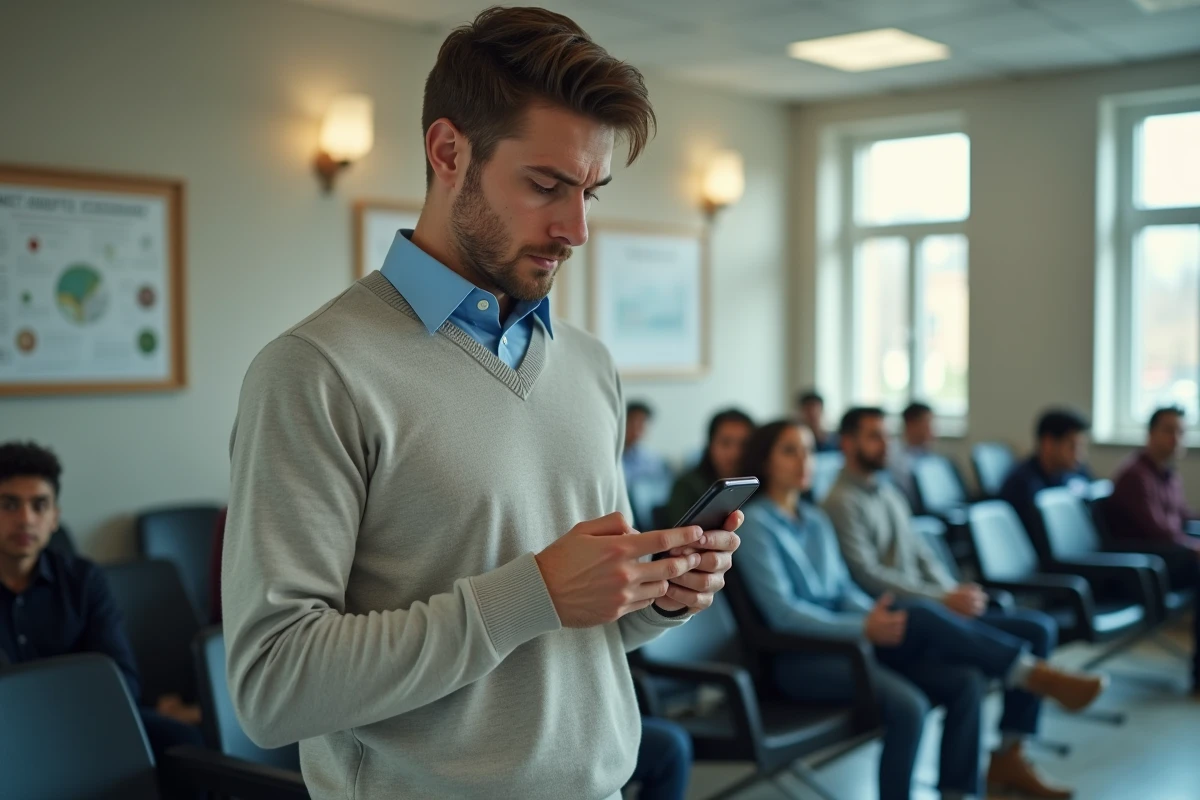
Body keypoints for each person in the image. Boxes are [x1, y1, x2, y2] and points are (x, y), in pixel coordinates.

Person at [222, 9, 741, 799]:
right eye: (546, 186)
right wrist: (530, 593)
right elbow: (273, 688)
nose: (576, 230)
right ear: (447, 152)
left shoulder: (590, 366)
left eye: (591, 194)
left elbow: (570, 637)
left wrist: (658, 597)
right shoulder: (315, 372)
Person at [737, 422, 1106, 800]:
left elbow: (843, 590)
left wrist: (871, 616)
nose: (805, 461)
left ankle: (958, 792)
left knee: (965, 681)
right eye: (789, 451)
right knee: (911, 694)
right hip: (804, 657)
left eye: (810, 450)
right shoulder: (754, 527)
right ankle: (1029, 673)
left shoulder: (813, 518)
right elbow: (783, 614)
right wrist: (864, 626)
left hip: (852, 640)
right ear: (764, 461)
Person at [0, 441, 204, 761]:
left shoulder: (82, 579)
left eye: (39, 505)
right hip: (8, 734)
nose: (26, 519)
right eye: (10, 505)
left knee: (182, 742)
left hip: (81, 720)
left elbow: (122, 678)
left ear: (54, 518)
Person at [1107, 406, 1200, 694]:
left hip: (1167, 560)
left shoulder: (1168, 474)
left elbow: (1183, 517)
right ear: (1150, 434)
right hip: (1143, 571)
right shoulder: (1136, 476)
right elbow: (1159, 533)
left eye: (1181, 432)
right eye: (1169, 430)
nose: (1176, 438)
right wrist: (1194, 548)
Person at [998, 409, 1093, 563]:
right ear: (1048, 443)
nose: (1080, 455)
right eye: (1072, 446)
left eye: (1081, 447)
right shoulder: (1022, 485)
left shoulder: (1076, 474)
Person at [664, 408, 755, 526]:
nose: (735, 453)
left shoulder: (761, 483)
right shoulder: (687, 486)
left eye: (744, 444)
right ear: (711, 445)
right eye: (725, 443)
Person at [888, 401, 935, 509]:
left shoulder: (925, 455)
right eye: (927, 424)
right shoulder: (893, 456)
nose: (932, 431)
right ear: (911, 424)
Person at [623, 400, 672, 486]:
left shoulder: (653, 460)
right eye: (632, 421)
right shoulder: (612, 456)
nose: (636, 427)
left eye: (641, 422)